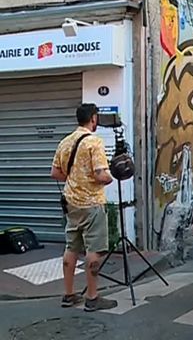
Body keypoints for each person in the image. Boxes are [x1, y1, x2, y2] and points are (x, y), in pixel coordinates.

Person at [50, 103, 117, 312]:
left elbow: (56, 173)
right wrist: (111, 175)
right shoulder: (94, 142)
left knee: (71, 247)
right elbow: (100, 175)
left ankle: (69, 294)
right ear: (94, 119)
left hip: (71, 203)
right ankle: (92, 296)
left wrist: (76, 179)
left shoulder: (65, 142)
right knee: (93, 250)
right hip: (92, 204)